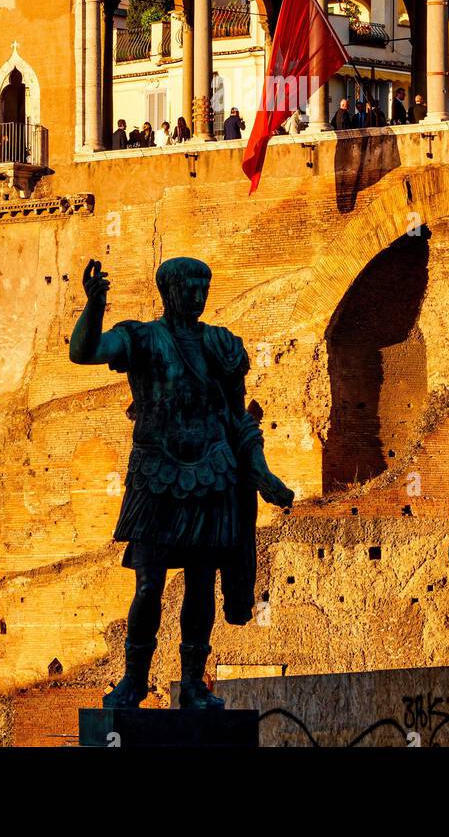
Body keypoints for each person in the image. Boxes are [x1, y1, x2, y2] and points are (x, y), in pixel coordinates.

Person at [70, 257, 293, 710]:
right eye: (188, 287)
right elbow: (83, 351)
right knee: (149, 583)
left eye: (203, 287)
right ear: (167, 290)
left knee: (201, 583)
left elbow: (237, 420)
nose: (197, 295)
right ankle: (134, 681)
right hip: (157, 472)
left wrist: (263, 473)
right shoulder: (141, 337)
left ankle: (192, 684)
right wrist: (94, 306)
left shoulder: (223, 345)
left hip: (214, 473)